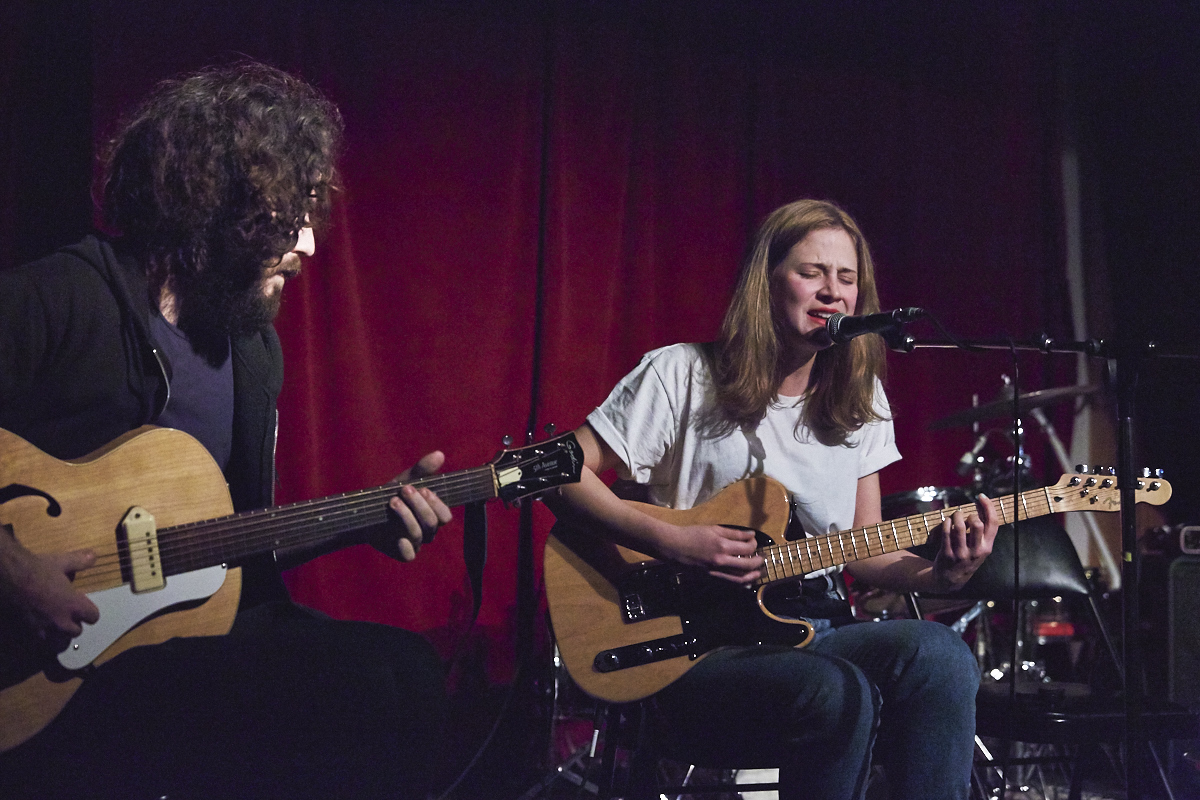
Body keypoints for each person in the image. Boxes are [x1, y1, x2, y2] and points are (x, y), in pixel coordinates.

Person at [0, 62, 451, 799]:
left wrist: (367, 518)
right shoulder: (69, 296)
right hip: (62, 668)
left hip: (187, 638)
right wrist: (10, 567)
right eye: (286, 215)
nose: (309, 244)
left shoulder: (251, 352)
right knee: (359, 685)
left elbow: (234, 536)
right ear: (210, 203)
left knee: (411, 671)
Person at [548, 199, 999, 800]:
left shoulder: (860, 399)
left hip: (811, 630)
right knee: (837, 690)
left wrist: (941, 572)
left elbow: (861, 550)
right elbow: (556, 472)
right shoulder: (682, 375)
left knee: (940, 655)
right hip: (694, 646)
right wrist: (674, 542)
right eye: (811, 272)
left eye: (846, 278)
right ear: (767, 281)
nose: (832, 292)